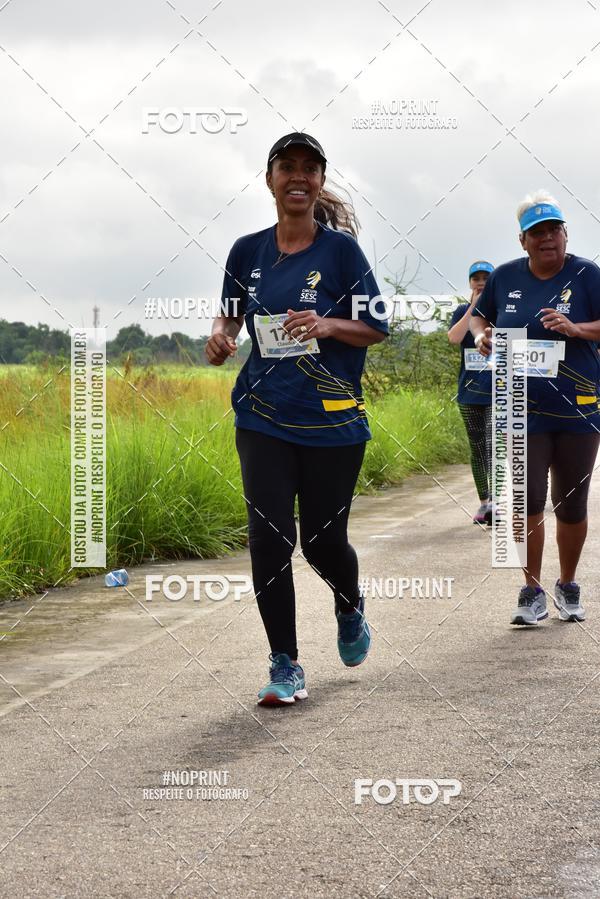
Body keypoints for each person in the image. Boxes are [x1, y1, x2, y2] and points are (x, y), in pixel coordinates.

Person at [206, 132, 388, 704]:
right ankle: (284, 663)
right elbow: (229, 318)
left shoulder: (341, 254)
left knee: (322, 541)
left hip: (331, 420)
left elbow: (378, 327)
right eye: (288, 167)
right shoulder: (246, 251)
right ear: (270, 180)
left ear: (320, 183)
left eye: (310, 169)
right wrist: (220, 336)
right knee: (268, 538)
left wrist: (330, 325)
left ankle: (349, 603)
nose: (298, 177)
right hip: (261, 415)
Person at [471, 190, 600, 625]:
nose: (548, 238)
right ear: (523, 241)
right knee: (525, 500)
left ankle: (567, 583)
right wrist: (481, 335)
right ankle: (531, 590)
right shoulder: (505, 277)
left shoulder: (587, 275)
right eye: (537, 232)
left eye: (554, 230)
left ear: (565, 234)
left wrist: (577, 328)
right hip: (519, 406)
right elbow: (479, 316)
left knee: (572, 504)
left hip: (579, 408)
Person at [448, 261, 494, 524]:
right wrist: (473, 308)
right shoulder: (461, 311)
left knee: (493, 447)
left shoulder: (501, 310)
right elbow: (454, 338)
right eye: (475, 278)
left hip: (497, 391)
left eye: (486, 278)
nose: (480, 282)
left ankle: (498, 504)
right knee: (477, 449)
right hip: (468, 392)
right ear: (469, 283)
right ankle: (484, 503)